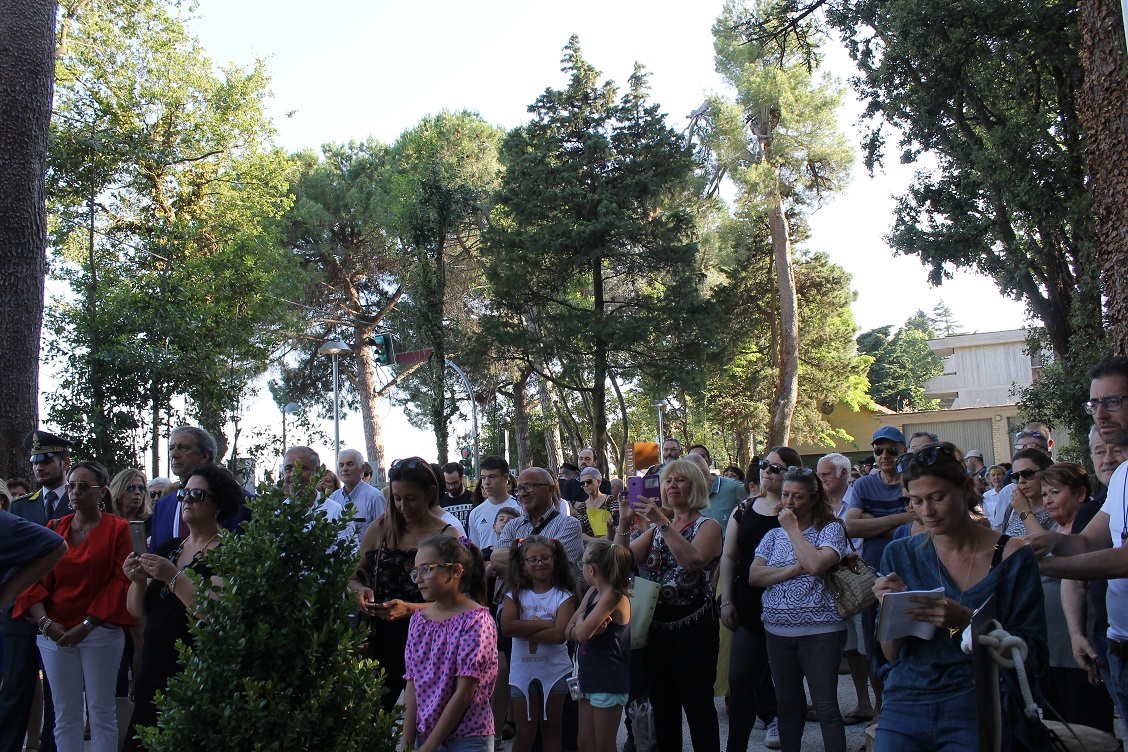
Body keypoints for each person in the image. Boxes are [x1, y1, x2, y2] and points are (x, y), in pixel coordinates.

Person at [872, 443, 1046, 751]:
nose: (927, 511)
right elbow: (890, 654)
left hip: (976, 702)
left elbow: (1029, 655)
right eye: (916, 501)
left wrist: (968, 620)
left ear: (965, 489)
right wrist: (889, 608)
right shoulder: (900, 554)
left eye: (938, 498)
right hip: (905, 701)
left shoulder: (1012, 556)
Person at [15, 461, 135, 752]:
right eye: (71, 485)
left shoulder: (118, 529)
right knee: (65, 715)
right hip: (53, 633)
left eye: (84, 486)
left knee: (101, 712)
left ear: (102, 492)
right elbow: (33, 580)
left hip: (99, 632)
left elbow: (121, 581)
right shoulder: (54, 528)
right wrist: (45, 623)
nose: (76, 491)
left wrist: (87, 626)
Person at [121, 464, 241, 752]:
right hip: (155, 669)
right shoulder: (170, 548)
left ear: (218, 503)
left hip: (195, 672)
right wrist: (137, 581)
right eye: (183, 494)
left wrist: (172, 576)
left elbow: (211, 611)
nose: (186, 500)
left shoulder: (229, 551)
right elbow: (137, 611)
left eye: (196, 494)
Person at [616, 458, 723, 752]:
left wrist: (662, 522)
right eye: (668, 481)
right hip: (655, 627)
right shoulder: (657, 529)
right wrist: (625, 523)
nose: (672, 486)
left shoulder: (708, 525)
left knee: (697, 703)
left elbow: (692, 560)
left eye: (680, 480)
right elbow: (620, 560)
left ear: (695, 486)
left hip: (694, 626)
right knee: (662, 705)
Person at [749, 467, 848, 752]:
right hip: (777, 631)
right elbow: (756, 576)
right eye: (785, 495)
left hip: (821, 631)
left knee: (826, 706)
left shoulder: (831, 528)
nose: (789, 503)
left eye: (798, 497)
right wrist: (794, 568)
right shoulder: (772, 535)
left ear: (814, 499)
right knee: (788, 707)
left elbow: (817, 565)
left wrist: (793, 529)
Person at [348, 458, 460, 710]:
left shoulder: (447, 536)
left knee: (428, 718)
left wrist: (410, 609)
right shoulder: (380, 529)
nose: (402, 506)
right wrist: (361, 591)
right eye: (397, 498)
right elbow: (353, 576)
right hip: (382, 639)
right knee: (373, 712)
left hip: (432, 640)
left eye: (410, 498)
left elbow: (458, 602)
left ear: (430, 493)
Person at [719, 447, 799, 751]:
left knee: (789, 689)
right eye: (764, 464)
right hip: (749, 609)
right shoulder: (744, 508)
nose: (766, 470)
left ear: (791, 473)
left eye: (776, 468)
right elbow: (729, 557)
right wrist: (727, 600)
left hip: (791, 609)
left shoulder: (799, 511)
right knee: (740, 683)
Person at [1034, 462, 1114, 731]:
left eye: (1055, 492)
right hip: (1052, 655)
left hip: (1086, 654)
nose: (1048, 500)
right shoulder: (1055, 533)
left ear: (1080, 494)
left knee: (1091, 730)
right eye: (1044, 494)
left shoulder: (1097, 527)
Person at [402, 534, 498, 752]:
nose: (418, 578)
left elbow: (465, 692)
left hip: (468, 738)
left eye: (427, 569)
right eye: (416, 571)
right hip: (424, 735)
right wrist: (406, 744)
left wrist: (430, 747)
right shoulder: (419, 620)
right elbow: (412, 683)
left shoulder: (477, 621)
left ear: (455, 571)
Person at [843, 426, 911, 714]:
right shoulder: (863, 485)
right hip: (872, 577)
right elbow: (851, 526)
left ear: (903, 450)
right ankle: (882, 710)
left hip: (909, 574)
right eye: (878, 450)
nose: (885, 456)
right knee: (874, 647)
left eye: (891, 450)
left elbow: (920, 526)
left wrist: (876, 523)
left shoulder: (912, 480)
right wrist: (902, 520)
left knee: (907, 640)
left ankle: (907, 706)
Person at [500, 536, 578, 752]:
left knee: (552, 728)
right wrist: (545, 623)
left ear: (554, 559)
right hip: (523, 672)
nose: (539, 563)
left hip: (555, 671)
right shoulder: (514, 595)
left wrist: (523, 627)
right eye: (532, 560)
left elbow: (560, 635)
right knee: (525, 734)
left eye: (545, 558)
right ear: (522, 564)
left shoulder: (564, 596)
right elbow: (507, 628)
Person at [817, 452, 874, 728]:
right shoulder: (820, 505)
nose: (821, 479)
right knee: (851, 649)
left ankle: (881, 708)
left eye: (825, 474)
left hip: (860, 585)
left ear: (842, 474)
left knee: (870, 649)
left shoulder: (860, 500)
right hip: (835, 586)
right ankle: (864, 703)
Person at [568, 539, 632, 752]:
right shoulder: (592, 592)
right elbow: (569, 631)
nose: (582, 570)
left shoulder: (613, 594)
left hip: (608, 679)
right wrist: (581, 625)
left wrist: (580, 625)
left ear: (592, 569)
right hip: (588, 676)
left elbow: (582, 633)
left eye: (582, 566)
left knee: (603, 745)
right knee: (584, 743)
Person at [150, 425, 249, 551]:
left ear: (204, 456)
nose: (174, 454)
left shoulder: (244, 504)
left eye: (183, 448)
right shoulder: (163, 507)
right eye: (171, 448)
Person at [493, 468, 584, 571]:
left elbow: (553, 568)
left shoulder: (569, 525)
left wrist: (513, 560)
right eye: (519, 489)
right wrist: (539, 558)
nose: (522, 493)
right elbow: (496, 559)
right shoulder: (512, 525)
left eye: (529, 487)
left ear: (550, 490)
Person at [329, 448, 388, 543]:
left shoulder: (374, 497)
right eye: (341, 465)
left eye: (350, 464)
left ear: (363, 468)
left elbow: (385, 532)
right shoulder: (333, 498)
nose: (344, 469)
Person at [467, 456, 521, 551]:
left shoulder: (519, 508)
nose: (487, 482)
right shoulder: (475, 513)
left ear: (505, 478)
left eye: (492, 477)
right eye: (483, 478)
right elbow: (475, 551)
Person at [999, 448, 1055, 536]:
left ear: (1046, 472)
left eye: (1028, 474)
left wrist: (1024, 512)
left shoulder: (1055, 507)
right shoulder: (1014, 506)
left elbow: (1045, 545)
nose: (1021, 481)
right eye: (1016, 476)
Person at [574, 467, 618, 543]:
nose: (585, 485)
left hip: (612, 545)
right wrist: (598, 541)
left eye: (588, 482)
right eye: (582, 483)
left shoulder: (611, 500)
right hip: (592, 549)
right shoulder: (581, 508)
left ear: (599, 482)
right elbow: (582, 534)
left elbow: (617, 524)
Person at [441, 461, 476, 530]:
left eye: (454, 483)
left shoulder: (474, 498)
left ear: (462, 478)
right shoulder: (441, 502)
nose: (451, 487)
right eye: (448, 483)